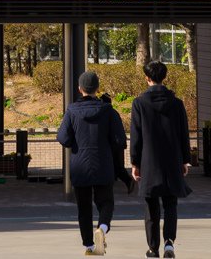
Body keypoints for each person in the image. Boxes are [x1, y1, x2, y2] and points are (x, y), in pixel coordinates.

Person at [57, 71, 126, 256]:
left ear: (80, 89)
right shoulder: (108, 111)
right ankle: (102, 228)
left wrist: (77, 142)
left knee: (84, 208)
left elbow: (63, 138)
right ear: (97, 88)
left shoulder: (72, 111)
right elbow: (120, 141)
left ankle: (89, 245)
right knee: (106, 202)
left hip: (80, 165)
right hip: (103, 164)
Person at [130, 61, 192, 259]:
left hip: (149, 161)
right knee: (171, 203)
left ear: (147, 77)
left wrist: (135, 163)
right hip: (172, 160)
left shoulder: (139, 103)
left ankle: (153, 248)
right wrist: (185, 160)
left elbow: (136, 136)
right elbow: (184, 134)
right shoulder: (176, 103)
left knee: (151, 205)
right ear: (164, 77)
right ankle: (169, 243)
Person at [101, 93, 136, 193]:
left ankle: (128, 181)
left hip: (114, 144)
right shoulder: (114, 112)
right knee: (117, 166)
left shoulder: (107, 113)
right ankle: (125, 182)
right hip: (119, 142)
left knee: (117, 167)